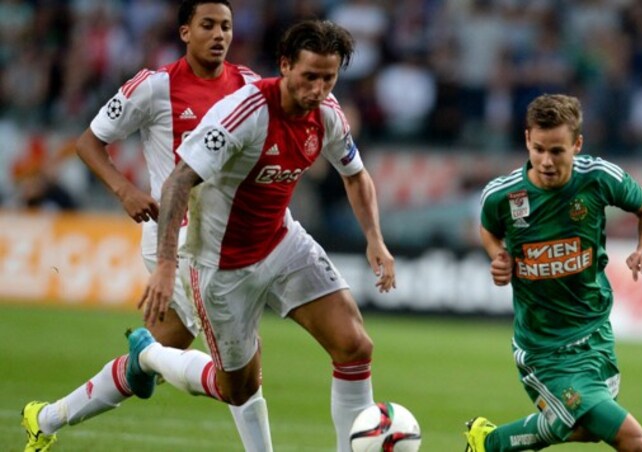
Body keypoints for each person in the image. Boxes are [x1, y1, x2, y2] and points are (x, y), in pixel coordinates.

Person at [125, 19, 396, 452]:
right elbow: (178, 182)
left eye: (329, 78)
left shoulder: (327, 114)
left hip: (281, 243)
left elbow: (356, 175)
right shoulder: (243, 114)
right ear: (285, 66)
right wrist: (166, 264)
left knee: (355, 345)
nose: (319, 89)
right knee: (238, 388)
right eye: (310, 77)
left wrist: (374, 239)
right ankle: (150, 355)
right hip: (221, 264)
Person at [20, 1, 262, 450]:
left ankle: (47, 418)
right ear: (185, 31)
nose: (219, 34)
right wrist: (125, 190)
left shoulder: (249, 86)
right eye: (207, 25)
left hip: (227, 239)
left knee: (157, 358)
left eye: (226, 26)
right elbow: (89, 142)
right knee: (242, 370)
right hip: (179, 240)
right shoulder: (154, 87)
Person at [466, 94, 642, 451]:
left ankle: (490, 443)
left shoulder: (598, 178)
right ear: (527, 139)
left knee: (585, 428)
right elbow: (488, 228)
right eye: (538, 148)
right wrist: (499, 256)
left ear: (577, 144)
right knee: (637, 443)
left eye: (557, 151)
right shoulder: (503, 195)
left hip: (595, 332)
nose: (545, 161)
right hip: (544, 349)